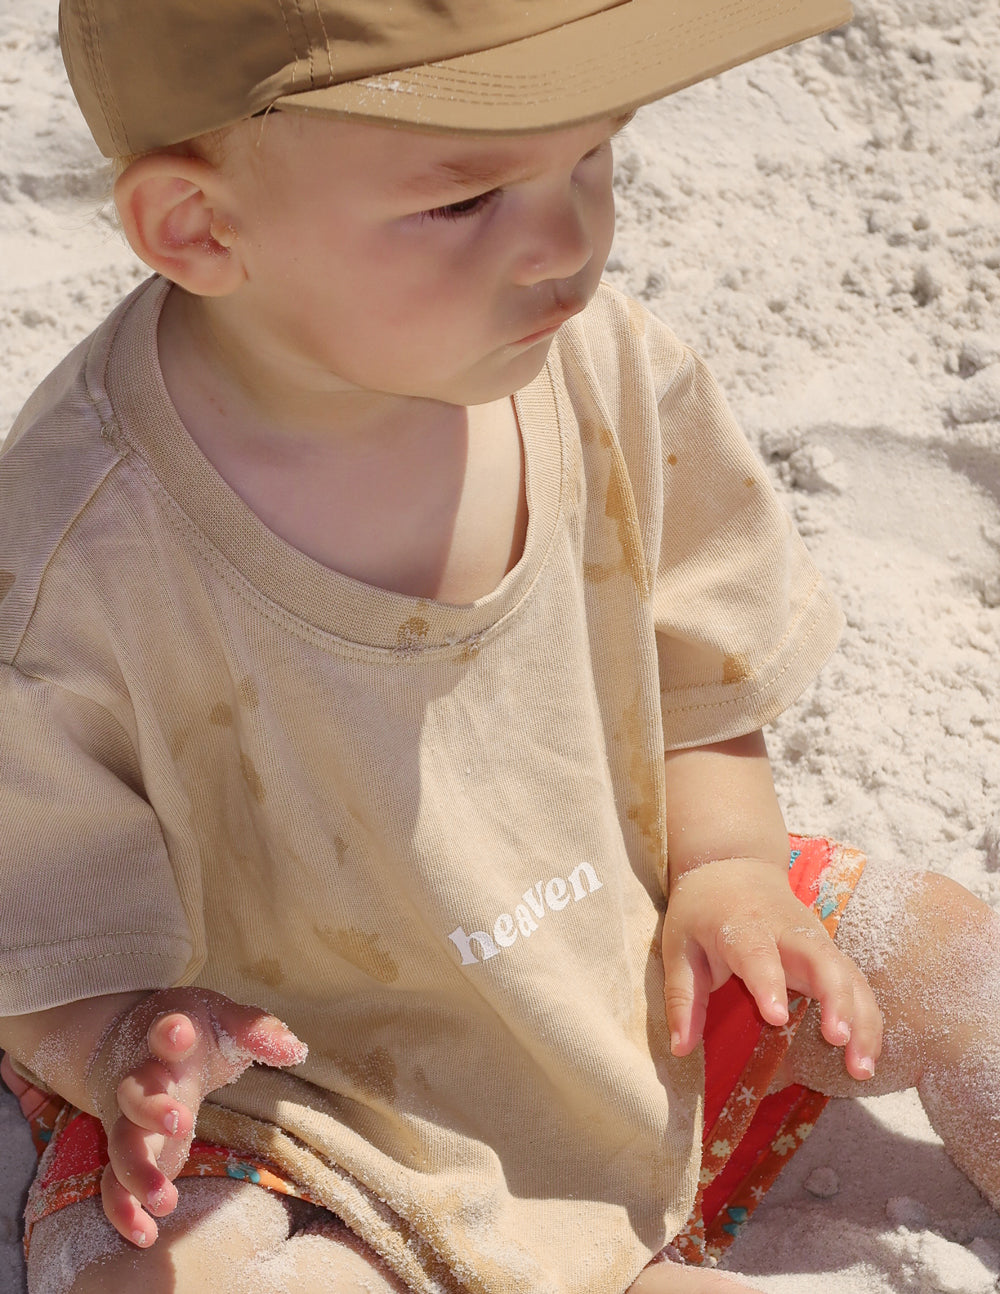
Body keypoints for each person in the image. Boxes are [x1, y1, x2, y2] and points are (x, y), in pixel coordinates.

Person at [2, 1, 1000, 1291]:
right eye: (464, 201)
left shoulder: (604, 364)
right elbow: (42, 917)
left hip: (633, 962)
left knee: (941, 948)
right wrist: (123, 1041)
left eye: (591, 158)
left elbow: (698, 663)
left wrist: (730, 867)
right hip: (309, 1104)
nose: (569, 244)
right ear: (199, 226)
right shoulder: (70, 555)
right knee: (157, 1266)